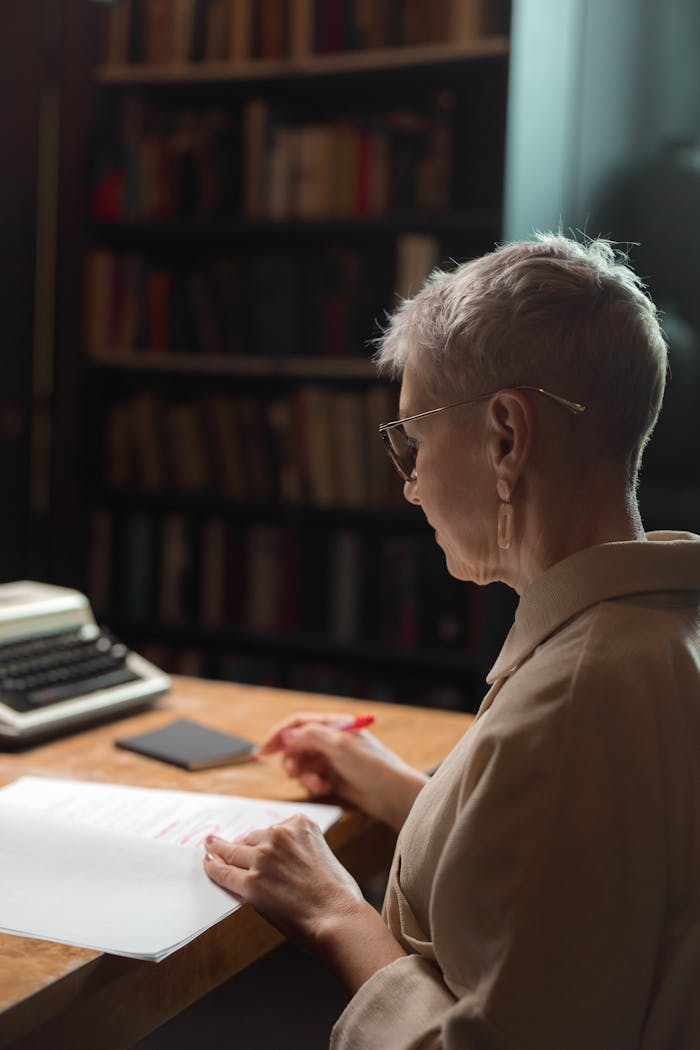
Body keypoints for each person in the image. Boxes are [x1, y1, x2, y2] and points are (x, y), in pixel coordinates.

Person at [203, 234, 700, 1048]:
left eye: (414, 438)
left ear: (506, 436)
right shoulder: (654, 633)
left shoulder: (580, 700)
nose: (409, 481)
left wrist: (332, 912)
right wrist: (403, 788)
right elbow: (565, 870)